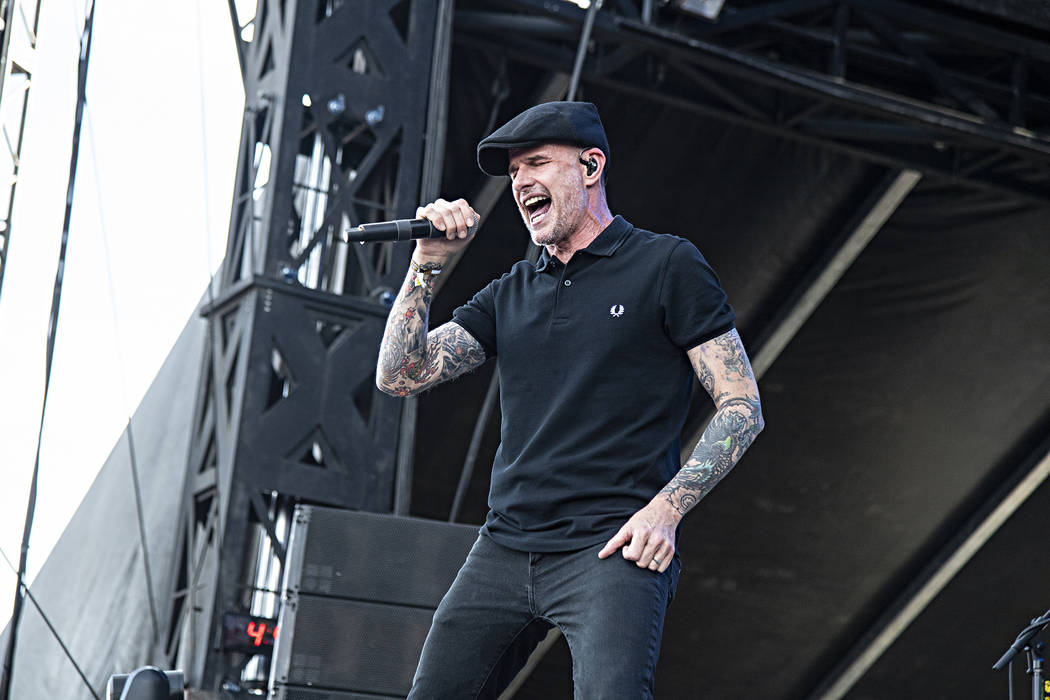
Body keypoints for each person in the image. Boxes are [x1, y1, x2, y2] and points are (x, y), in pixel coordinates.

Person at [376, 101, 763, 698]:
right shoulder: (511, 292)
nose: (521, 182)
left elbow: (741, 406)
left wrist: (667, 511)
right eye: (513, 175)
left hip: (610, 547)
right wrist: (426, 265)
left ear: (590, 166)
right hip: (504, 547)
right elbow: (400, 376)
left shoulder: (666, 265)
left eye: (536, 163)